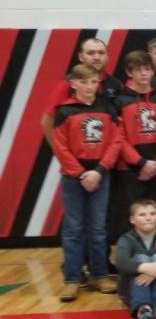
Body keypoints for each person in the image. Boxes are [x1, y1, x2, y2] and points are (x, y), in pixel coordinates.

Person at [53, 64, 123, 301]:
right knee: (73, 228)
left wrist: (100, 171)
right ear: (73, 84)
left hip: (101, 175)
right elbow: (60, 147)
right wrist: (81, 174)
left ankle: (100, 274)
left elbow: (115, 142)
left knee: (98, 228)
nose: (89, 86)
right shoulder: (64, 111)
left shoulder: (108, 107)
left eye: (93, 82)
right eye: (83, 82)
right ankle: (72, 279)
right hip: (73, 178)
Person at [112, 51, 156, 241]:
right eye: (138, 70)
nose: (144, 73)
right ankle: (130, 253)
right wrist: (141, 163)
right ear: (129, 72)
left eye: (147, 69)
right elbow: (118, 137)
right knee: (130, 214)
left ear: (153, 71)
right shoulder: (119, 101)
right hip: (130, 170)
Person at [42, 38, 124, 143]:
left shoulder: (116, 85)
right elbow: (48, 120)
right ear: (81, 57)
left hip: (109, 150)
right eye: (91, 53)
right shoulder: (67, 83)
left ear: (107, 56)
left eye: (101, 53)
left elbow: (121, 122)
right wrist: (58, 149)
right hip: (77, 150)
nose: (97, 57)